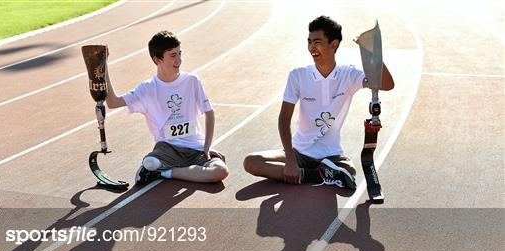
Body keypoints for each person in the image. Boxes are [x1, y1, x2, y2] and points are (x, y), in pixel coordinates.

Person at [244, 16, 394, 189]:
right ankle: (320, 175)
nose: (311, 47)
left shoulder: (349, 75)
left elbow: (387, 85)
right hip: (298, 152)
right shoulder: (298, 76)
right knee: (252, 162)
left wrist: (371, 53)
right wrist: (291, 162)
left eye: (317, 42)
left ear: (334, 44)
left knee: (349, 169)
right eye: (309, 42)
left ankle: (322, 172)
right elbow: (284, 119)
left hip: (331, 156)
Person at [104, 31, 229, 185]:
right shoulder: (147, 89)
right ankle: (158, 167)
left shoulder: (192, 81)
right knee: (152, 161)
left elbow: (209, 113)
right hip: (167, 149)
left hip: (196, 148)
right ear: (157, 59)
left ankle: (163, 172)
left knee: (220, 172)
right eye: (172, 55)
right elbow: (112, 102)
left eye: (179, 54)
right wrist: (103, 67)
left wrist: (206, 147)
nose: (179, 60)